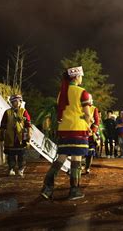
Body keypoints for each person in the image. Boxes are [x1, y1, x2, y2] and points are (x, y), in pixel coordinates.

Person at [41, 66, 92, 200]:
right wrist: (89, 124)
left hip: (64, 129)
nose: (82, 78)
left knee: (60, 159)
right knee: (76, 160)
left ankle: (47, 188)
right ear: (76, 77)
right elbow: (87, 114)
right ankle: (74, 190)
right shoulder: (83, 92)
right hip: (78, 129)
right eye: (81, 76)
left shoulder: (61, 93)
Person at [0, 94, 31, 177]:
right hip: (10, 137)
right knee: (11, 155)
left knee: (21, 155)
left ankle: (21, 169)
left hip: (21, 137)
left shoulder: (24, 111)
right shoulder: (7, 112)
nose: (14, 103)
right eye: (13, 102)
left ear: (20, 102)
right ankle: (11, 169)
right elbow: (3, 125)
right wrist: (1, 135)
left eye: (16, 101)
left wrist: (28, 135)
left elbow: (28, 124)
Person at [85, 102, 100, 174]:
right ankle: (76, 167)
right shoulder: (78, 107)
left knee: (90, 152)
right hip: (79, 134)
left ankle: (87, 167)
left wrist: (93, 131)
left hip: (90, 135)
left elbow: (96, 122)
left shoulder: (94, 109)